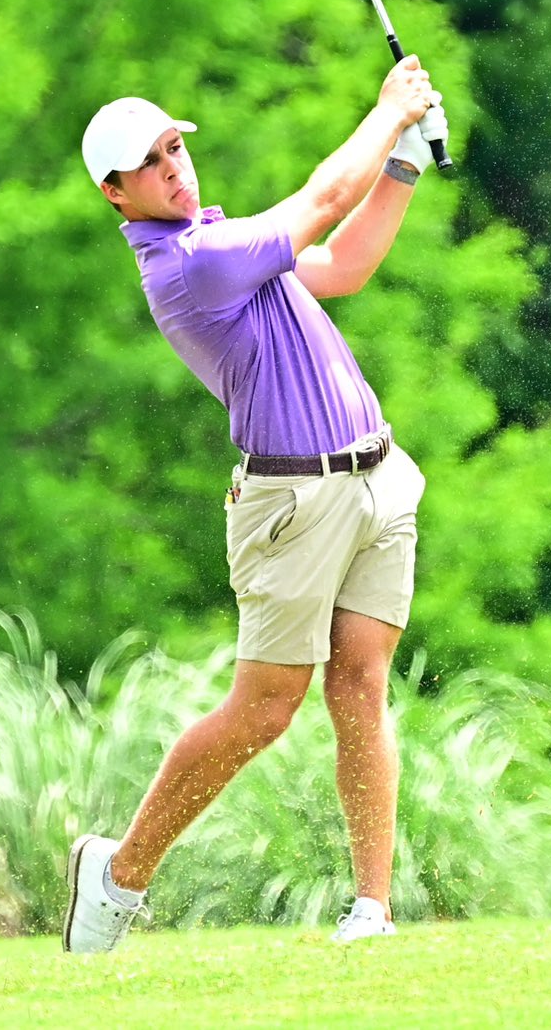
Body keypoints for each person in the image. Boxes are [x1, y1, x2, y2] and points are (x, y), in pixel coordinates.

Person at [63, 54, 446, 953]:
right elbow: (319, 203)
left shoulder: (228, 245)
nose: (174, 168)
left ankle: (371, 911)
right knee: (266, 710)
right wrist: (388, 112)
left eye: (174, 148)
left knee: (360, 688)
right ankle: (118, 877)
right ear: (117, 196)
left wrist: (406, 165)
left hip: (377, 480)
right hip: (291, 503)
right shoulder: (191, 266)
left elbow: (345, 263)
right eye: (151, 165)